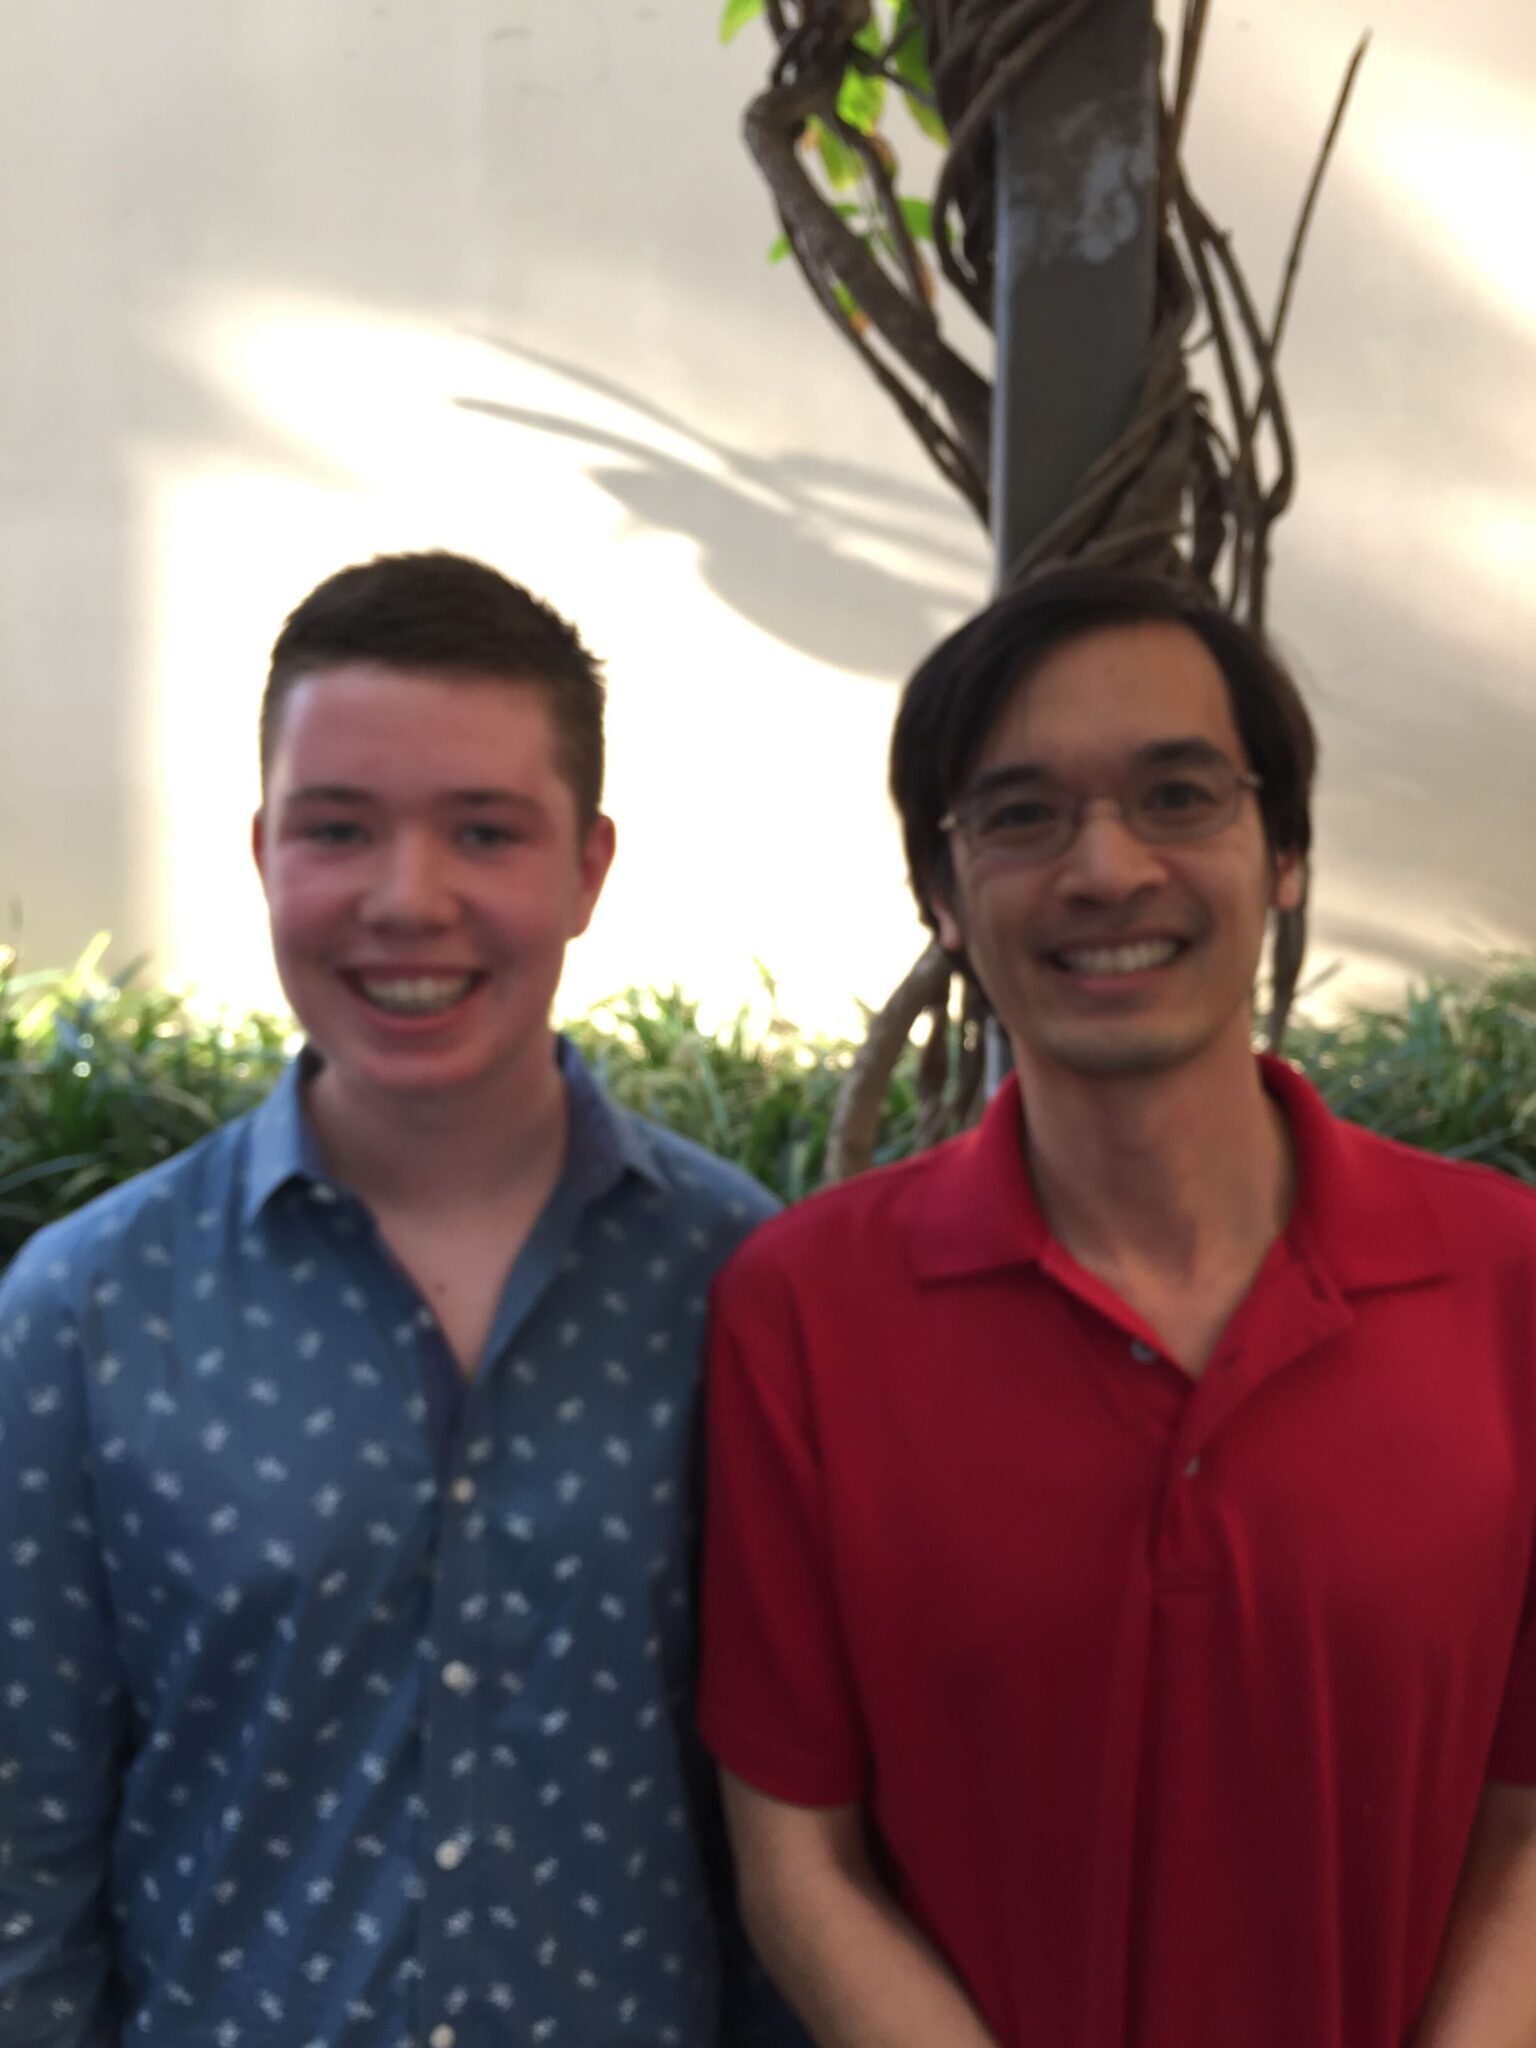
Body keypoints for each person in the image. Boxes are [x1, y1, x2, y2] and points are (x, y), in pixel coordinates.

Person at [698, 565, 1536, 2048]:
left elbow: (1526, 1821)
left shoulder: (1502, 1281)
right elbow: (799, 1863)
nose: (1106, 871)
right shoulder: (807, 1314)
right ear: (944, 898)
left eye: (1178, 796)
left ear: (1283, 850)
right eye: (1022, 816)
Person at [0, 551, 802, 2047]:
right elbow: (22, 1857)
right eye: (339, 829)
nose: (406, 899)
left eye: (485, 831)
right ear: (262, 852)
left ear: (588, 868)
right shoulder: (84, 1317)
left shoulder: (740, 1286)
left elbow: (793, 1841)